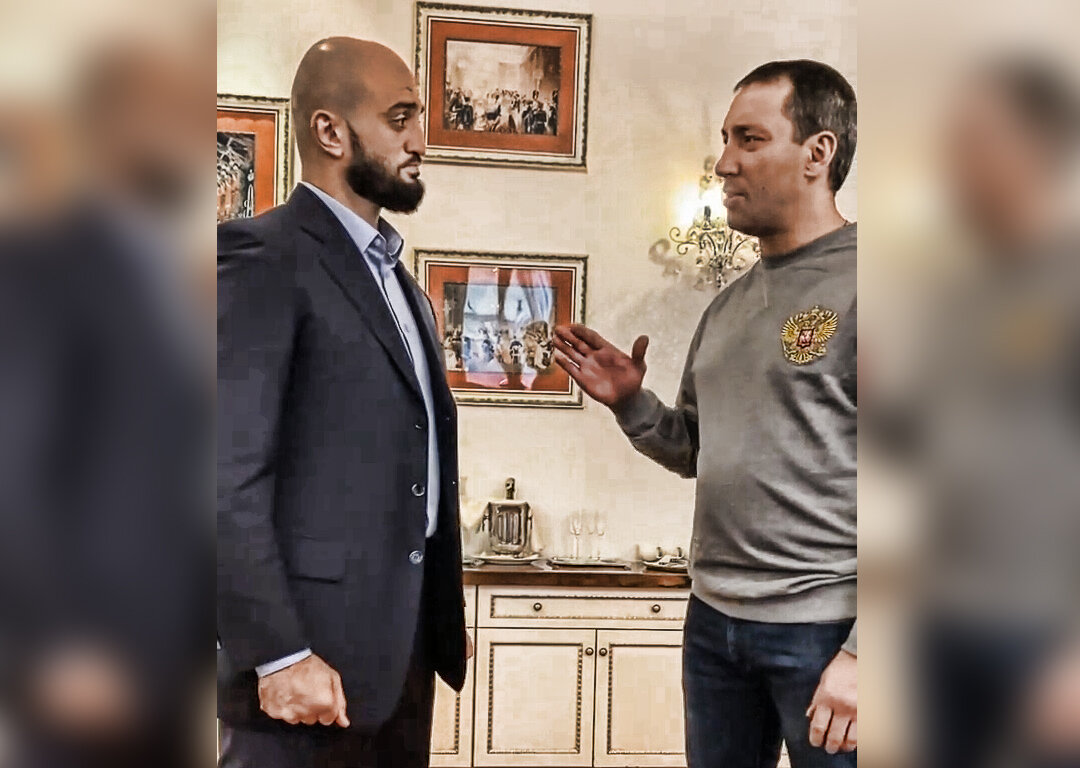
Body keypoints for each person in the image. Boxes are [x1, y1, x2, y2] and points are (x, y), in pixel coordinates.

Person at [553, 60, 858, 768]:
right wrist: (632, 404)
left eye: (750, 139)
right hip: (714, 624)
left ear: (818, 152)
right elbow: (694, 448)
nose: (724, 163)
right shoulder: (726, 307)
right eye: (726, 140)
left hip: (826, 633)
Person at [217, 37, 469, 768]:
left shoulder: (401, 284)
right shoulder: (261, 256)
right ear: (331, 132)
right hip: (304, 668)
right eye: (400, 118)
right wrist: (278, 655)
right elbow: (219, 475)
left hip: (401, 659)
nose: (420, 141)